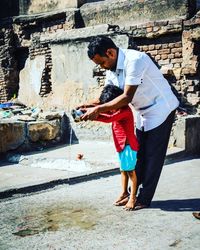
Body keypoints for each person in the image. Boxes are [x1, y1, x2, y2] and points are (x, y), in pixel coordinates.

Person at [79, 35, 179, 210]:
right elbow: (108, 96)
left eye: (101, 62)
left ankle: (144, 198)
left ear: (110, 53)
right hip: (141, 111)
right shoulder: (111, 70)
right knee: (138, 156)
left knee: (152, 156)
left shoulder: (135, 60)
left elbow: (126, 97)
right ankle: (131, 193)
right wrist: (88, 105)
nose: (102, 67)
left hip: (161, 108)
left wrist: (98, 110)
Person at [93, 84, 139, 210]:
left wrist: (93, 116)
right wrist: (87, 108)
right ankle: (124, 193)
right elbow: (104, 110)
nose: (110, 108)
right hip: (121, 146)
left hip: (128, 146)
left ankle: (132, 198)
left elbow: (109, 118)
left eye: (111, 105)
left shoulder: (124, 110)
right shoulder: (117, 108)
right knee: (123, 171)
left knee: (130, 172)